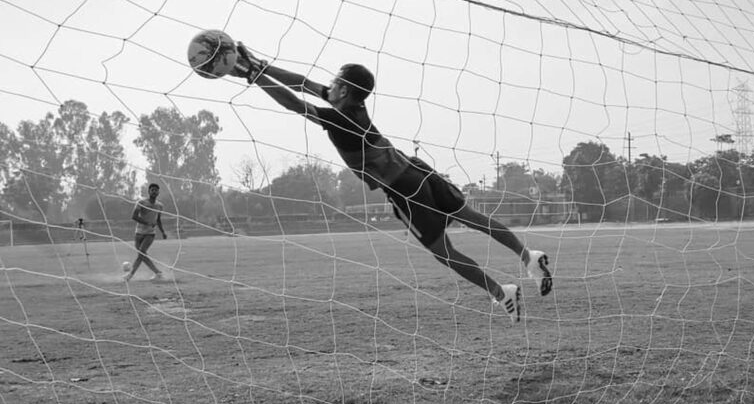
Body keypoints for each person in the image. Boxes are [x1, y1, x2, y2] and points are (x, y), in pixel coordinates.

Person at [232, 44, 552, 322]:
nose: (328, 84)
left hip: (403, 188)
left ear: (344, 90)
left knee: (444, 252)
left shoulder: (340, 120)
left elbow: (293, 102)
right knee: (472, 218)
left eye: (334, 81)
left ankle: (501, 292)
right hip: (416, 168)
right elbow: (302, 83)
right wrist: (260, 66)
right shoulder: (353, 105)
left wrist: (253, 76)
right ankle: (528, 256)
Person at [125, 183, 167, 282]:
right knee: (141, 255)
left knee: (141, 253)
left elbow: (158, 220)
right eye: (152, 190)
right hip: (138, 233)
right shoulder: (141, 202)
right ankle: (158, 273)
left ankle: (130, 275)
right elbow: (134, 216)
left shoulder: (160, 205)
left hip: (150, 233)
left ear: (158, 192)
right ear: (149, 191)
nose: (154, 191)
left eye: (156, 190)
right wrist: (147, 222)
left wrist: (163, 232)